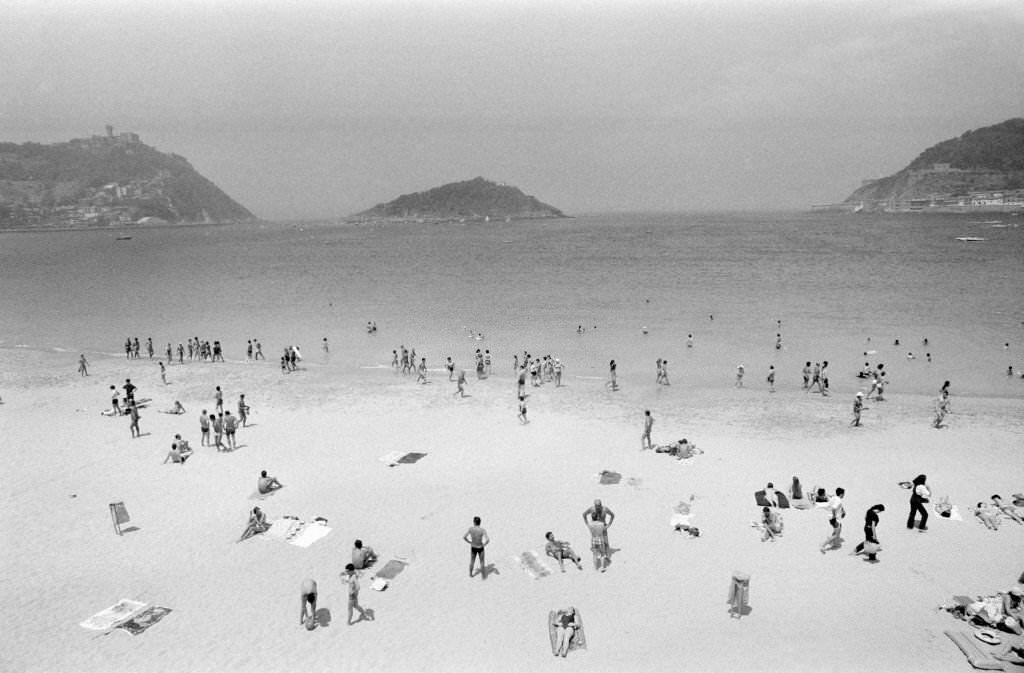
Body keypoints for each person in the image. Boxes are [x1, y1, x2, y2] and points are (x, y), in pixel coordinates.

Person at [583, 499, 614, 571]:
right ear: (594, 505)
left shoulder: (605, 509)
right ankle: (601, 559)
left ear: (601, 505)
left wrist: (609, 525)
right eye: (596, 506)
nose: (598, 508)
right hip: (595, 528)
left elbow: (612, 515)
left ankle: (607, 557)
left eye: (599, 506)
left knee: (606, 543)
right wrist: (587, 524)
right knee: (597, 545)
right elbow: (584, 514)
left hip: (603, 527)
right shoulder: (591, 509)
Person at [820, 487, 846, 553]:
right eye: (843, 494)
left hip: (832, 518)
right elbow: (834, 508)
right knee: (836, 534)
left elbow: (837, 506)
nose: (844, 495)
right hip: (834, 519)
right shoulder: (838, 500)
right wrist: (834, 517)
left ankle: (833, 543)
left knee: (837, 530)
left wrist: (843, 511)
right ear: (841, 494)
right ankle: (823, 546)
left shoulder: (834, 497)